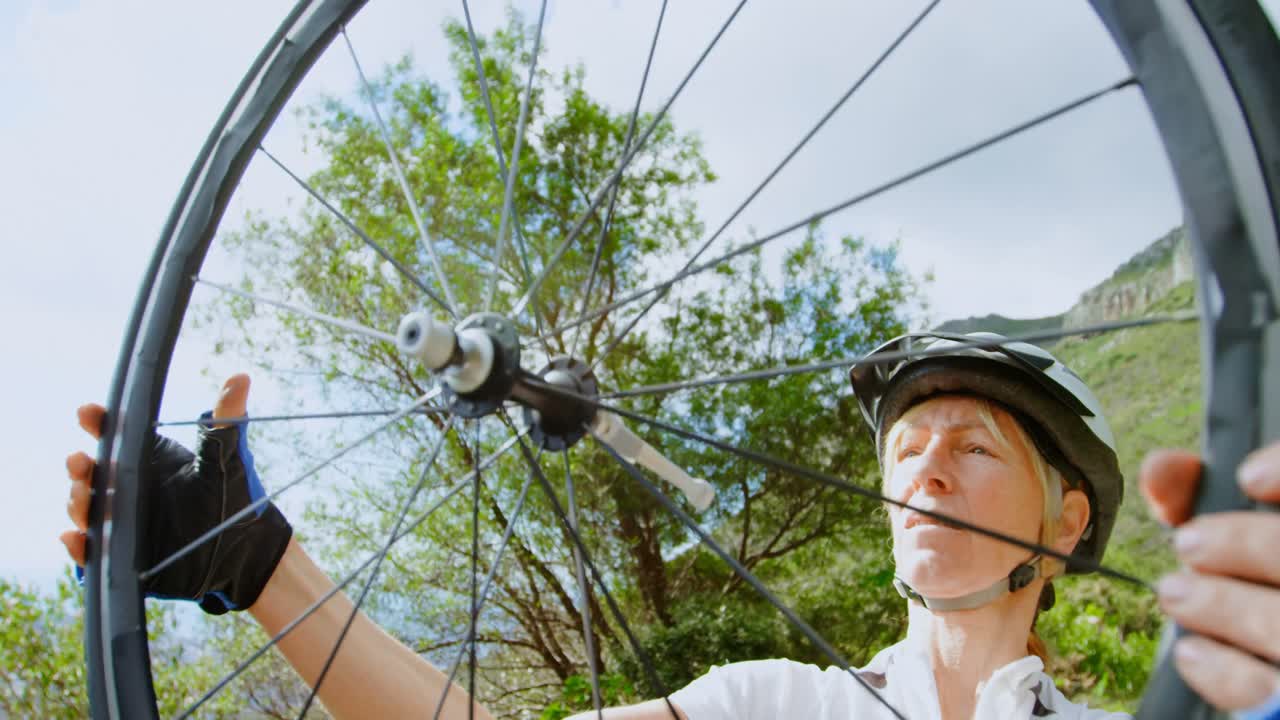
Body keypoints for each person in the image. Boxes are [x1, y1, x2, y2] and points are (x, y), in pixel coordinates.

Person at [59, 333, 1280, 719]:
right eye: (904, 448)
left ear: (1066, 523)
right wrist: (264, 567)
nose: (925, 469)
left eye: (970, 449)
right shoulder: (777, 704)